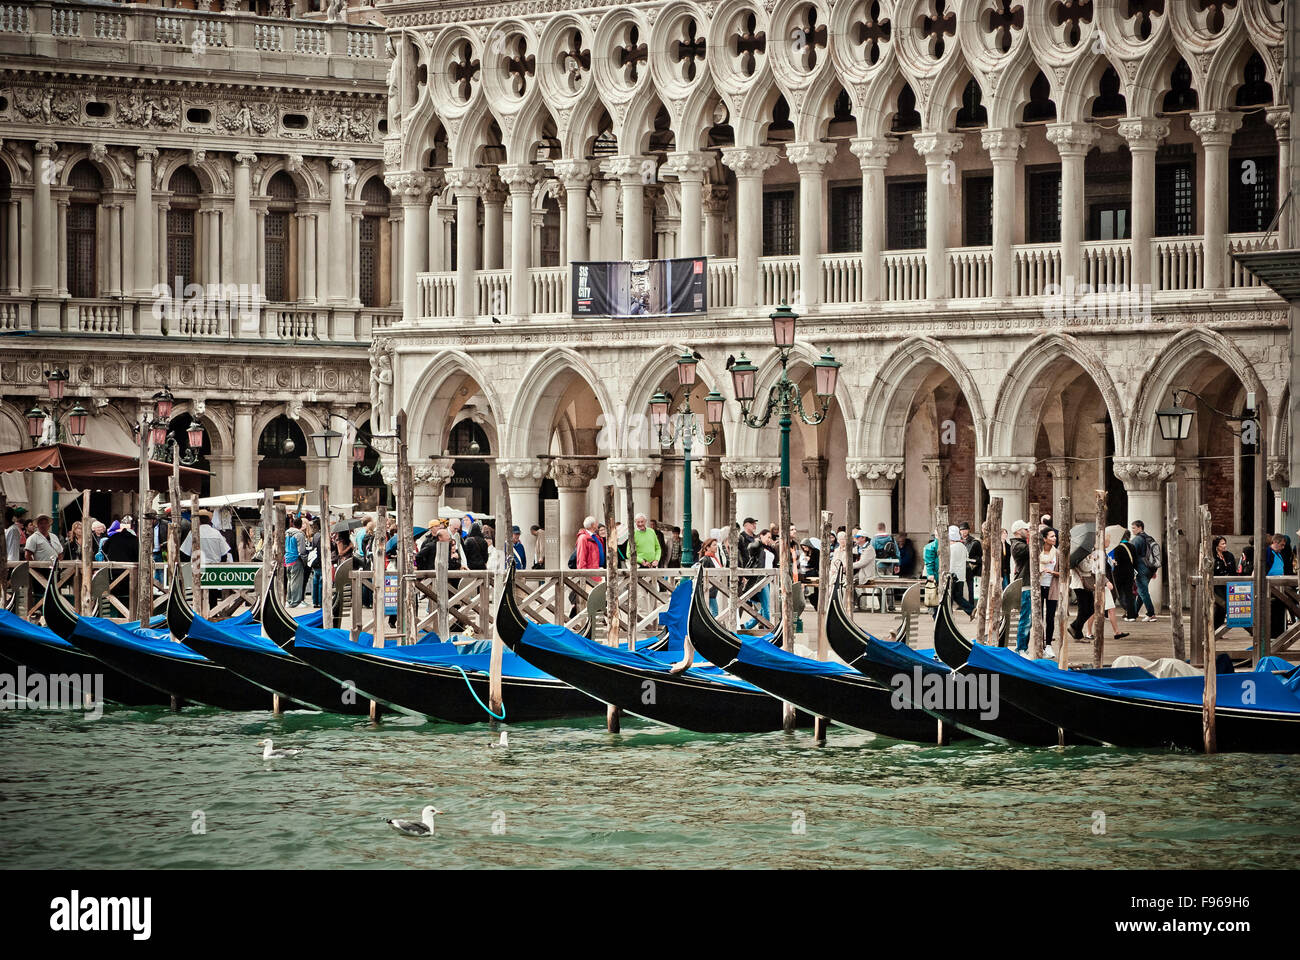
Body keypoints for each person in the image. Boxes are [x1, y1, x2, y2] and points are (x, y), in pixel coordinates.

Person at [1009, 520, 1032, 654]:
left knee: (1028, 619)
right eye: (1026, 529)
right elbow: (1034, 548)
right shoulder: (1018, 546)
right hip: (1024, 586)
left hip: (1028, 584)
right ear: (1018, 531)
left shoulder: (1021, 544)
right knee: (1025, 619)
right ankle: (1021, 648)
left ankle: (1024, 647)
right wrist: (1037, 535)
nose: (1028, 532)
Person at [1128, 519, 1158, 621]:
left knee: (1143, 591)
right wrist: (1154, 571)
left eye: (1134, 528)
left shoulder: (1137, 540)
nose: (1132, 530)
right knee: (1142, 592)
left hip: (1140, 568)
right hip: (1150, 568)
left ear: (1140, 528)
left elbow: (1131, 555)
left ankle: (1151, 613)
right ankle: (1134, 614)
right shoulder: (1150, 538)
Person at [1109, 526, 1137, 621]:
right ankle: (1131, 615)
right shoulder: (1132, 547)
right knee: (1129, 594)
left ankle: (1107, 613)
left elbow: (1116, 562)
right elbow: (1136, 562)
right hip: (1130, 573)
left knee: (1116, 593)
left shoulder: (1117, 548)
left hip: (1119, 574)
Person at [1039, 527, 1060, 657]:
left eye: (1055, 536)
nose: (1054, 538)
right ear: (1044, 538)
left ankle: (1048, 645)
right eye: (1051, 536)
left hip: (1052, 588)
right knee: (1038, 617)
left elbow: (1063, 572)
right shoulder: (1037, 553)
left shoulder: (1057, 553)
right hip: (1039, 587)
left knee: (1050, 617)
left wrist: (1052, 572)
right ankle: (1039, 645)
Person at [948, 525, 973, 617]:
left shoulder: (951, 548)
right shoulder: (963, 546)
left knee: (951, 596)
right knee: (957, 596)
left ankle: (949, 614)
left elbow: (951, 562)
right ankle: (971, 610)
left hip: (952, 576)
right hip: (961, 576)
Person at [1211, 536, 1235, 629]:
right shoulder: (1212, 556)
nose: (1225, 546)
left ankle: (1216, 629)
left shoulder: (1229, 555)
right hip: (1216, 586)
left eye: (1225, 543)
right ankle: (1213, 629)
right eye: (1222, 544)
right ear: (1217, 546)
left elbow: (1233, 570)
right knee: (1222, 605)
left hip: (1227, 585)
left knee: (1224, 608)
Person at [960, 521, 981, 609]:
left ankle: (971, 604)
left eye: (965, 530)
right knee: (959, 587)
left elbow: (980, 556)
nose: (964, 531)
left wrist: (974, 562)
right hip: (960, 567)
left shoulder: (974, 542)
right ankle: (962, 604)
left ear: (968, 530)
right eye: (962, 530)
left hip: (970, 568)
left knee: (970, 587)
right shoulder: (957, 541)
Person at [285, 516, 306, 607]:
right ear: (300, 525)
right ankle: (295, 602)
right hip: (296, 559)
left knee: (290, 581)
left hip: (287, 559)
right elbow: (301, 550)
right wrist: (305, 560)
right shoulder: (299, 534)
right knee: (296, 581)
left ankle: (289, 601)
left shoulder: (286, 533)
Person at [699, 538, 722, 617]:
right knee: (714, 612)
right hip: (708, 590)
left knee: (713, 612)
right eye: (714, 545)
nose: (716, 547)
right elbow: (701, 576)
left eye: (716, 545)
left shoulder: (714, 558)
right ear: (707, 547)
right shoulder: (705, 559)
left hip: (714, 590)